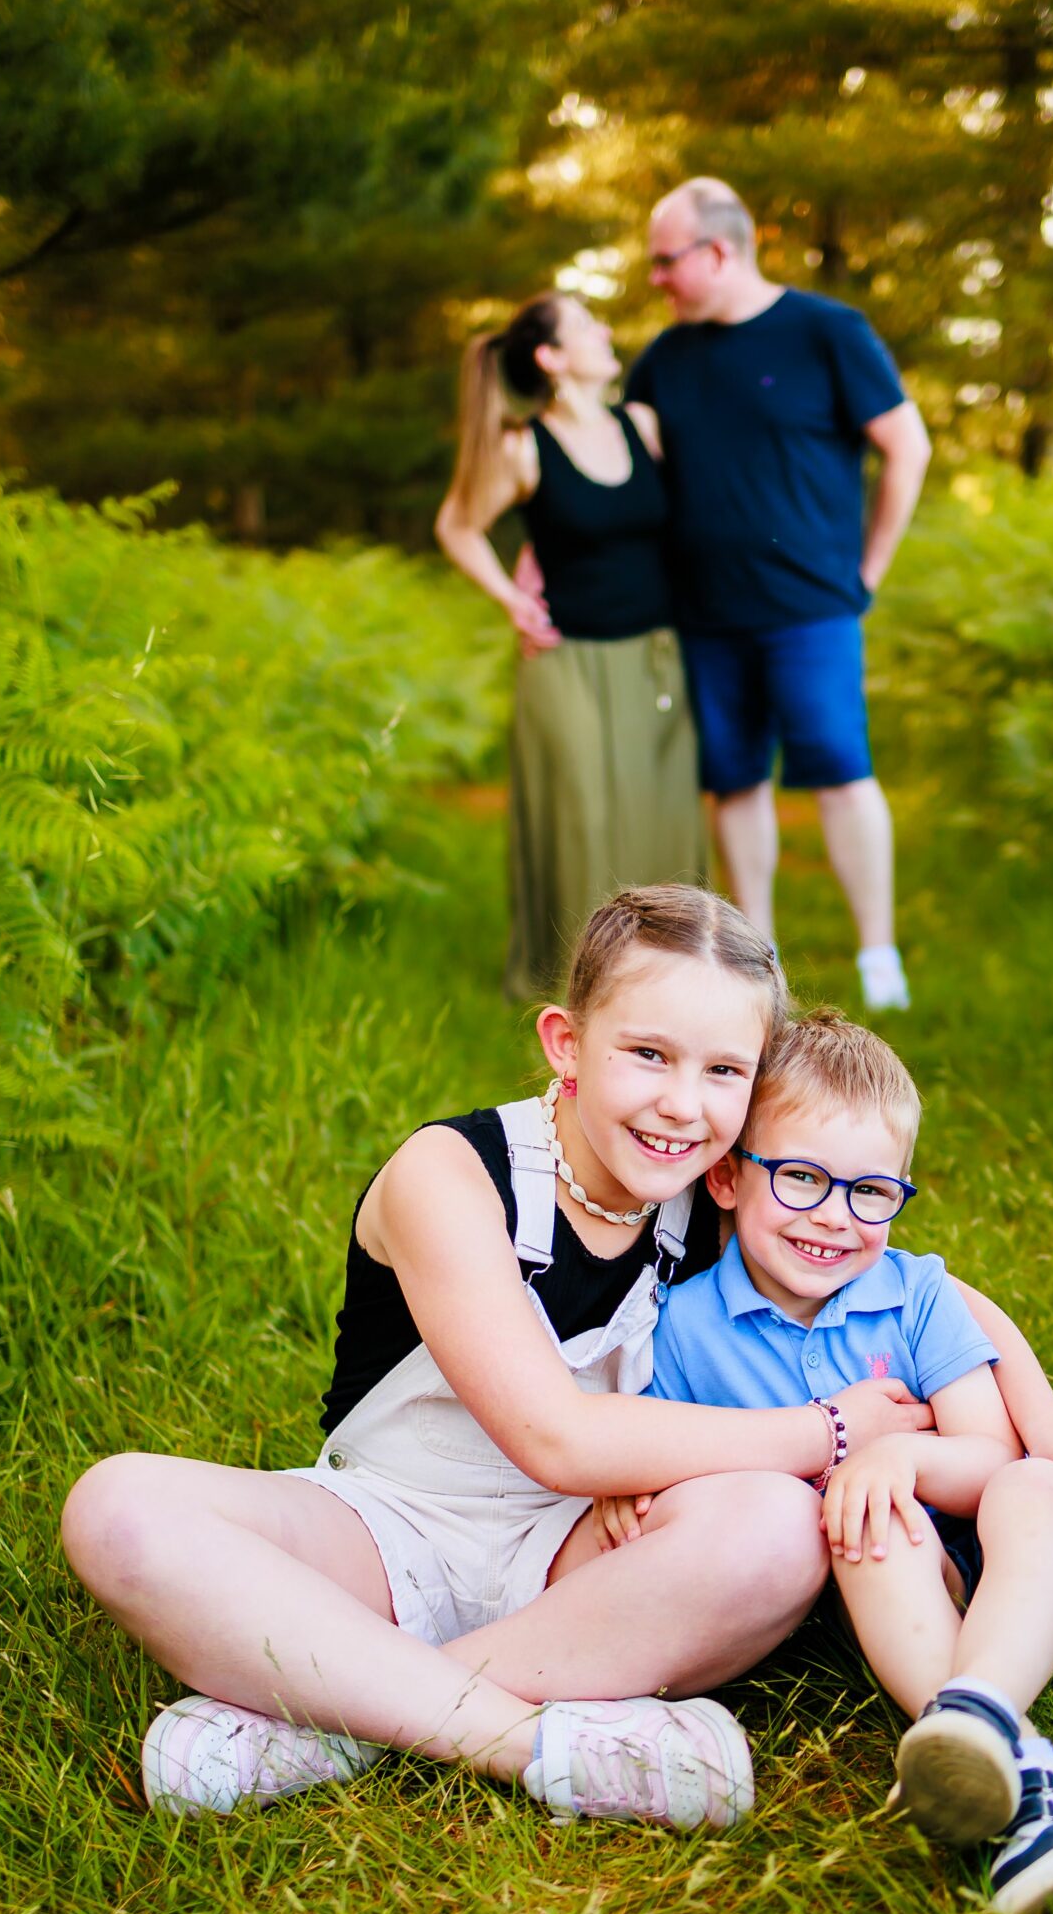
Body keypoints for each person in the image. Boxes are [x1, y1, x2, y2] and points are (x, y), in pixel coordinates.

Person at [61, 888, 936, 1827]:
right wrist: (830, 1430)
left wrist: (1033, 1427)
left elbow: (911, 1286)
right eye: (647, 1054)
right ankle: (535, 1744)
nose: (682, 1106)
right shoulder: (452, 1172)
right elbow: (554, 1439)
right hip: (382, 1533)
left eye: (723, 1070)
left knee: (778, 1528)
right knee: (119, 1510)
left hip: (583, 1556)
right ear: (566, 1043)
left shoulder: (711, 1197)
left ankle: (340, 1716)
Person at [605, 1008, 1053, 1914]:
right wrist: (634, 1489)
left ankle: (977, 1722)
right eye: (801, 1178)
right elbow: (676, 1465)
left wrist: (898, 1457)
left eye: (871, 1192)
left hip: (1037, 1575)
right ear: (727, 1177)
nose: (834, 1217)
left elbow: (989, 1456)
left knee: (1033, 1481)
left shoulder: (914, 1293)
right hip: (891, 1596)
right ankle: (1016, 1770)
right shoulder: (684, 1328)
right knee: (865, 1523)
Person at [624, 176, 932, 1013]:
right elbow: (613, 468)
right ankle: (755, 961)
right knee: (734, 781)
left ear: (719, 251)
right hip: (705, 612)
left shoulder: (826, 331)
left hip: (811, 609)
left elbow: (907, 447)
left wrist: (867, 571)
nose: (655, 278)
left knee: (840, 768)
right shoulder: (664, 359)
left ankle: (878, 958)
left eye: (665, 261)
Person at [437, 293, 707, 1002]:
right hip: (565, 662)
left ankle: (672, 979)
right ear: (550, 357)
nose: (605, 330)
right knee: (582, 822)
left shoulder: (642, 425)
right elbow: (457, 526)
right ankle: (586, 990)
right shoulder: (524, 447)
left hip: (653, 656)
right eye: (586, 325)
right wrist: (512, 599)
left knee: (660, 823)